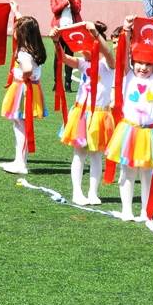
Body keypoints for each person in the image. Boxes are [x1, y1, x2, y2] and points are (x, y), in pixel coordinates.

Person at [105, 15, 153, 222]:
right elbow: (123, 55)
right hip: (129, 131)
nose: (143, 67)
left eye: (148, 64)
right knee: (127, 172)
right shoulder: (128, 75)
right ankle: (127, 210)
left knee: (147, 174)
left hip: (149, 134)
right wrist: (127, 31)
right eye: (139, 63)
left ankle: (146, 212)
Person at [54, 20, 116, 206]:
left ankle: (93, 192)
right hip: (81, 114)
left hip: (99, 115)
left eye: (86, 45)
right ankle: (77, 192)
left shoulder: (108, 65)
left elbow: (109, 52)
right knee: (79, 154)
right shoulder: (82, 64)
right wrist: (56, 41)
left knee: (96, 155)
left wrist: (95, 34)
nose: (82, 50)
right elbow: (63, 58)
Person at [0, 5, 47, 175]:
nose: (14, 30)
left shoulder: (23, 53)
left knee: (21, 126)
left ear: (22, 33)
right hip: (29, 88)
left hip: (23, 89)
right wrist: (16, 11)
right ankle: (19, 160)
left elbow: (27, 69)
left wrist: (24, 77)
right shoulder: (34, 48)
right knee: (19, 124)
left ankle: (21, 163)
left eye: (16, 28)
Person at [49, 0, 82, 92]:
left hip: (72, 29)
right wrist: (64, 1)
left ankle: (68, 83)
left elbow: (77, 9)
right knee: (58, 56)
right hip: (59, 29)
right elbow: (55, 10)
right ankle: (57, 82)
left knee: (69, 56)